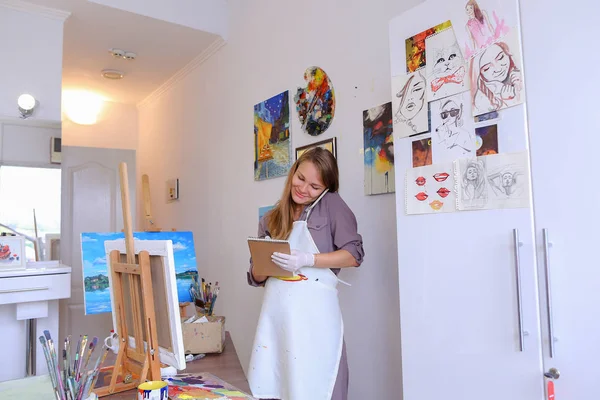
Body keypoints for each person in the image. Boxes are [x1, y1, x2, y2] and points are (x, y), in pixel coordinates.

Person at [246, 147, 364, 400]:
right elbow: (255, 278)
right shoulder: (271, 218)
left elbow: (354, 255)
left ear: (326, 188)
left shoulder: (331, 205)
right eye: (300, 179)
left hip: (315, 321)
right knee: (276, 385)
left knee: (317, 386)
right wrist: (262, 265)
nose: (303, 189)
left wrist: (308, 259)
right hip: (278, 319)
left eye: (314, 186)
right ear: (293, 172)